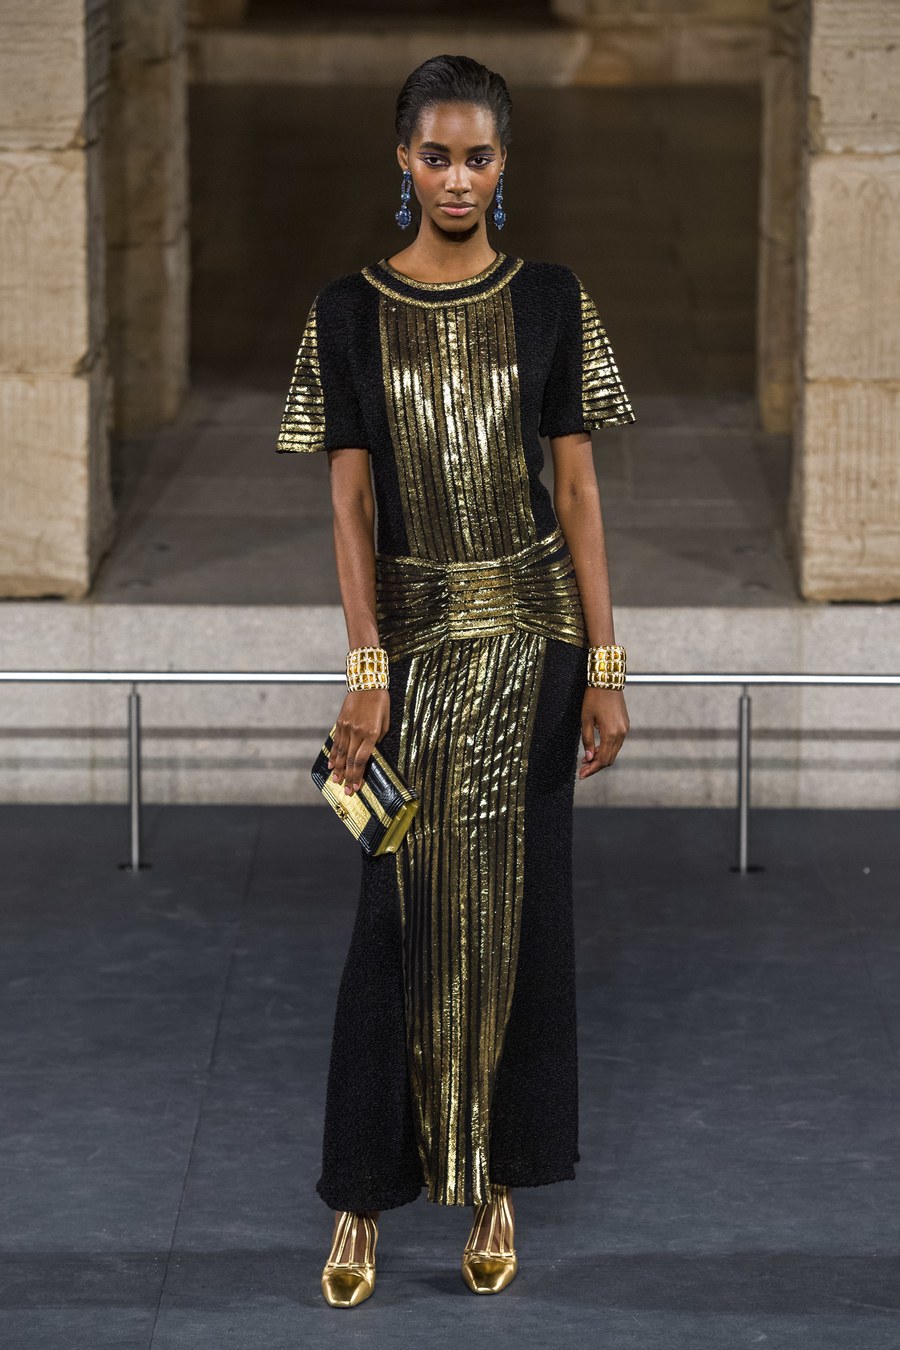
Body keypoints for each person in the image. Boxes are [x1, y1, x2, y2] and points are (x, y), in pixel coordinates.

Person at [276, 53, 635, 1308]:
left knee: (525, 914)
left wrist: (606, 664)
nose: (458, 178)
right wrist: (366, 668)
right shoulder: (346, 311)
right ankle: (361, 1198)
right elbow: (350, 506)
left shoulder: (553, 299)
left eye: (479, 156)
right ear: (403, 160)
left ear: (504, 163)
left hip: (534, 642)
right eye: (436, 155)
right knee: (394, 920)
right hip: (415, 646)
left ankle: (496, 1182)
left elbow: (577, 489)